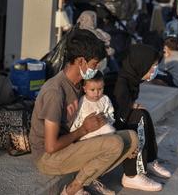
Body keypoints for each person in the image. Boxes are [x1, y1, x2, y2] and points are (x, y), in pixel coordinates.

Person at [29, 29, 138, 195]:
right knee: (115, 144)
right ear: (81, 61)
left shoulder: (79, 84)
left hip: (72, 145)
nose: (96, 68)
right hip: (48, 158)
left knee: (132, 138)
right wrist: (84, 130)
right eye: (94, 64)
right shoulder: (55, 92)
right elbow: (50, 147)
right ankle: (74, 188)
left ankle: (89, 176)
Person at [112, 44, 172, 192]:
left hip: (118, 119)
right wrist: (129, 107)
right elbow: (119, 115)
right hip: (109, 125)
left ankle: (149, 160)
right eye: (152, 66)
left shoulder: (132, 79)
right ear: (141, 64)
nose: (154, 70)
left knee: (143, 114)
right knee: (138, 118)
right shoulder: (122, 83)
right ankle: (133, 175)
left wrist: (131, 105)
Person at [70, 70, 116, 140]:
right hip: (88, 132)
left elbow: (110, 113)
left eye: (100, 89)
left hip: (103, 128)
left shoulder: (105, 99)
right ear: (85, 89)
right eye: (92, 90)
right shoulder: (82, 102)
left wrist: (107, 120)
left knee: (111, 130)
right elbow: (77, 117)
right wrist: (75, 130)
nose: (97, 93)